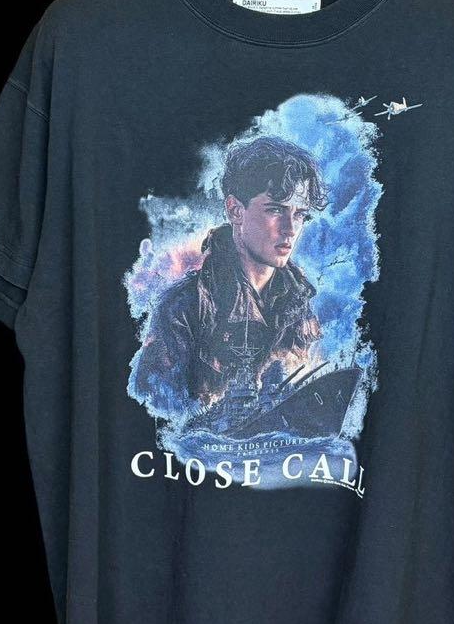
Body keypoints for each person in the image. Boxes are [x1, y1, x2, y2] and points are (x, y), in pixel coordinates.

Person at [134, 135, 328, 419]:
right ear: (235, 210)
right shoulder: (183, 308)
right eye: (276, 210)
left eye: (300, 214)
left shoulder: (300, 305)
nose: (290, 229)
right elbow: (159, 418)